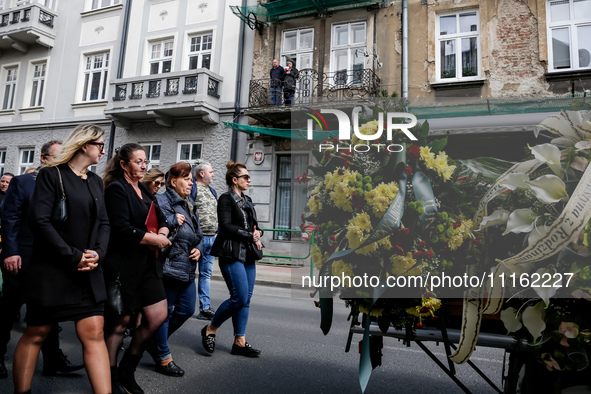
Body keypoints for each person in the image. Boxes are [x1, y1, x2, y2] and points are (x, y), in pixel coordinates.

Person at [11, 125, 111, 394]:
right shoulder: (50, 175)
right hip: (53, 270)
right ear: (84, 145)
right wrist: (73, 256)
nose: (103, 150)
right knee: (37, 333)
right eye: (100, 145)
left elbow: (104, 222)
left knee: (95, 332)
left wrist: (97, 253)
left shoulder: (95, 181)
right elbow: (40, 222)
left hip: (88, 271)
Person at [0, 141, 84, 381]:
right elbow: (10, 219)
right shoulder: (23, 182)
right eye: (59, 156)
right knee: (9, 310)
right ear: (45, 158)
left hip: (51, 261)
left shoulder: (64, 182)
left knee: (49, 313)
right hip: (22, 258)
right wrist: (10, 251)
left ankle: (53, 361)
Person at [103, 143, 171, 394]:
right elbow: (121, 229)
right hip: (123, 265)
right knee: (120, 323)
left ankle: (126, 371)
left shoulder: (144, 188)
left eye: (145, 161)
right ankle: (109, 380)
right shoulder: (116, 189)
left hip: (148, 264)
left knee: (157, 316)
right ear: (124, 165)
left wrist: (163, 231)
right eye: (138, 161)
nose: (144, 165)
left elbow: (161, 219)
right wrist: (155, 239)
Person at [201, 161, 263, 358]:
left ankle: (239, 342)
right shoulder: (225, 199)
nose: (249, 180)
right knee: (239, 297)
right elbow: (226, 227)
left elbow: (255, 226)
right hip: (231, 253)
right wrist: (249, 235)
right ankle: (210, 328)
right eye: (245, 177)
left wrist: (257, 233)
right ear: (234, 180)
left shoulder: (248, 199)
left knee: (246, 300)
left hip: (248, 255)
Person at [150, 162, 203, 376]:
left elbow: (197, 234)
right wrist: (172, 220)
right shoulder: (162, 201)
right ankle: (163, 356)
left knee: (187, 309)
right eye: (187, 178)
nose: (191, 182)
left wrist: (198, 248)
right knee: (166, 312)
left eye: (191, 178)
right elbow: (158, 227)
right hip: (169, 265)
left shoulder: (189, 202)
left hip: (187, 266)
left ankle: (152, 340)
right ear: (173, 181)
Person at [192, 160, 218, 321]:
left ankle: (205, 308)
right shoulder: (192, 188)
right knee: (188, 273)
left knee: (206, 274)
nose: (213, 174)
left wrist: (217, 232)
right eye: (211, 172)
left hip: (212, 239)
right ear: (202, 173)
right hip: (197, 240)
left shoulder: (212, 191)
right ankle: (178, 305)